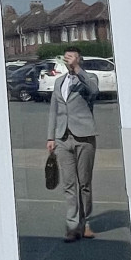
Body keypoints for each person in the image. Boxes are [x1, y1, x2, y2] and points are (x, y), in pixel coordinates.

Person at [44, 47, 99, 242]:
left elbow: (93, 91)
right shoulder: (60, 81)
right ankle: (72, 226)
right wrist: (51, 137)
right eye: (67, 56)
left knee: (84, 184)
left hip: (84, 136)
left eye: (73, 56)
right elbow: (54, 111)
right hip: (62, 138)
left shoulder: (88, 78)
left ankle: (86, 224)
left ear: (79, 59)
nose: (69, 59)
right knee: (68, 184)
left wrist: (77, 69)